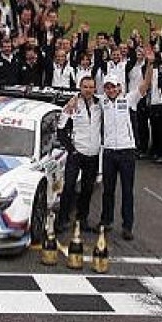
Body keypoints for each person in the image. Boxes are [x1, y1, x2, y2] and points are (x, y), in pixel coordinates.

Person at [99, 56, 153, 241]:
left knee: (127, 190)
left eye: (114, 86)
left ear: (119, 87)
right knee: (108, 189)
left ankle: (127, 226)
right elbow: (83, 96)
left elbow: (145, 85)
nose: (111, 90)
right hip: (108, 152)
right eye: (108, 87)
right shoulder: (101, 102)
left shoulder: (129, 99)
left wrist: (150, 64)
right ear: (104, 88)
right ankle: (106, 221)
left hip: (127, 151)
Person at [55, 75, 102, 234]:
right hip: (76, 153)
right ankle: (62, 220)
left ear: (95, 88)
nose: (88, 90)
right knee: (68, 187)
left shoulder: (100, 103)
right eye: (85, 87)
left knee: (88, 189)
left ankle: (83, 220)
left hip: (93, 154)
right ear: (80, 88)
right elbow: (60, 130)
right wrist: (71, 149)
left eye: (91, 87)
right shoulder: (72, 105)